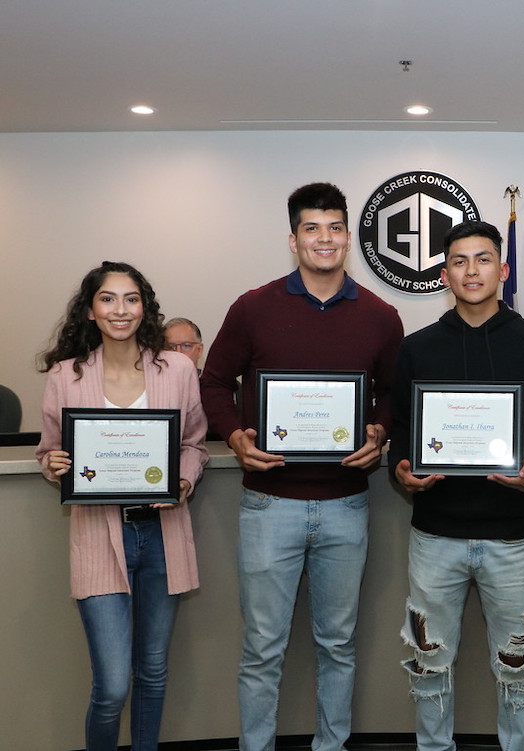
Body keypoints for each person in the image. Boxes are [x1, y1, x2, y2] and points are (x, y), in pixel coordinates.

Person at [200, 182, 403, 751]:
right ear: (293, 239)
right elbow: (213, 381)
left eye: (335, 227)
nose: (324, 238)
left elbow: (392, 394)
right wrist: (236, 436)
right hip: (269, 505)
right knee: (263, 646)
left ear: (348, 238)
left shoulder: (381, 316)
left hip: (345, 503)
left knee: (337, 644)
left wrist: (381, 431)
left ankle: (330, 746)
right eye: (312, 228)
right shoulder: (252, 307)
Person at [389, 220, 524, 751]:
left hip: (512, 537)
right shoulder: (417, 348)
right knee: (429, 662)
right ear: (445, 274)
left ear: (503, 269)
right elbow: (402, 428)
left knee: (516, 664)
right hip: (434, 535)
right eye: (461, 262)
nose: (473, 270)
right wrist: (404, 467)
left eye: (484, 259)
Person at [36, 261, 208, 751]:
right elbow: (50, 451)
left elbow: (194, 444)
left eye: (131, 299)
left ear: (144, 307)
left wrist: (183, 480)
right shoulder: (66, 376)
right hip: (98, 535)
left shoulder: (175, 370)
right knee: (112, 685)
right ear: (90, 310)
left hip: (162, 534)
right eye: (108, 299)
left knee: (152, 672)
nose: (120, 310)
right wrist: (55, 465)